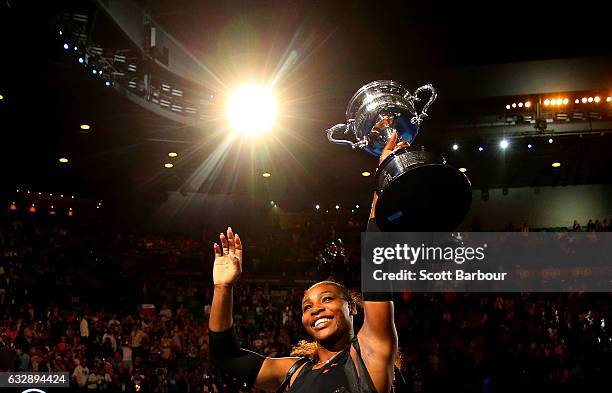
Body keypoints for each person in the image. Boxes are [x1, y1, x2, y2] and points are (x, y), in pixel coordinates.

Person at [208, 133, 405, 393]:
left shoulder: (369, 355)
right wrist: (223, 288)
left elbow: (377, 268)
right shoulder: (292, 372)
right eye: (307, 307)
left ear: (352, 308)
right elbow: (226, 356)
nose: (315, 310)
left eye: (326, 299)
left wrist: (385, 174)